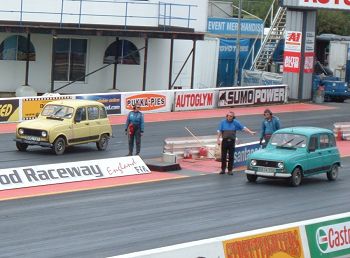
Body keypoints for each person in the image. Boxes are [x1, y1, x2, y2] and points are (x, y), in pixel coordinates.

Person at [217, 111, 255, 175]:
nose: (229, 117)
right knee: (223, 156)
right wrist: (218, 139)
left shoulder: (236, 122)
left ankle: (230, 170)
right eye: (228, 116)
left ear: (233, 117)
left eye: (231, 116)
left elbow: (243, 128)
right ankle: (223, 169)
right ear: (226, 116)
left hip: (232, 141)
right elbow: (220, 131)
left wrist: (250, 132)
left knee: (231, 156)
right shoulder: (223, 122)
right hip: (225, 141)